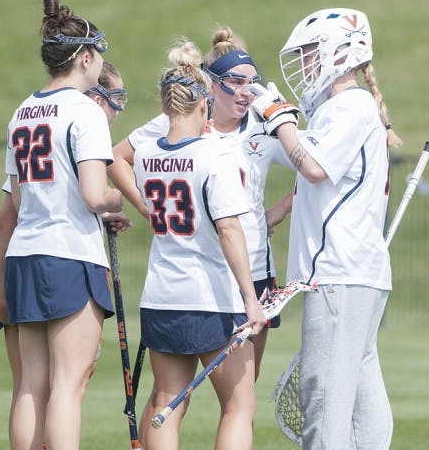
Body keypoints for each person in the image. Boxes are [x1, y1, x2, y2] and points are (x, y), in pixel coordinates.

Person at [253, 7, 401, 450]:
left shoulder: (350, 106)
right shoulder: (353, 109)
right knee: (359, 382)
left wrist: (278, 115)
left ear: (340, 52)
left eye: (312, 53)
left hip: (339, 269)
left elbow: (313, 165)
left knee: (326, 384)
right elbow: (312, 183)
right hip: (356, 269)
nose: (306, 64)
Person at [0, 0, 125, 450]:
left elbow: (19, 201)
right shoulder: (85, 112)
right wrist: (115, 208)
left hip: (25, 252)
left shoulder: (22, 111)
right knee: (69, 384)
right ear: (87, 58)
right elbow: (96, 193)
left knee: (32, 385)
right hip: (70, 253)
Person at [133, 40, 275, 450]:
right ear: (202, 103)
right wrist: (251, 298)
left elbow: (121, 169)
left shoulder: (147, 154)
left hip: (161, 295)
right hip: (210, 298)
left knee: (167, 401)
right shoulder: (214, 154)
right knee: (239, 404)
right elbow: (232, 231)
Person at [112, 26, 293, 381]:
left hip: (253, 270)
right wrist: (145, 206)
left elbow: (314, 165)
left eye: (253, 82)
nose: (247, 93)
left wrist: (280, 208)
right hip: (198, 278)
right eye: (236, 82)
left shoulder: (263, 124)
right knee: (176, 395)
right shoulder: (177, 121)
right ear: (210, 85)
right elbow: (117, 158)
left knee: (242, 396)